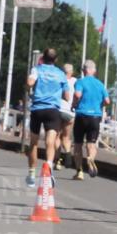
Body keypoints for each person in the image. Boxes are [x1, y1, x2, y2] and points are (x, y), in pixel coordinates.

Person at [25, 48, 70, 188]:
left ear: (43, 58)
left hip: (37, 109)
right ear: (56, 60)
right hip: (52, 110)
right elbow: (67, 96)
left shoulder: (37, 69)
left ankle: (32, 174)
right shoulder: (61, 74)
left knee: (34, 142)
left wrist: (30, 91)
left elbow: (30, 83)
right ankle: (48, 168)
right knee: (50, 141)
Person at [72, 60, 110, 180]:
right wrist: (100, 105)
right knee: (91, 143)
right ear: (94, 71)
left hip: (82, 115)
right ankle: (90, 159)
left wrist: (74, 104)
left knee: (78, 144)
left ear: (84, 70)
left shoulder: (80, 81)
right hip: (95, 117)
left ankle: (79, 172)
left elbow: (77, 95)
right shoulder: (100, 84)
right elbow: (107, 101)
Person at [57, 63, 77, 169]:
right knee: (66, 137)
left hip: (59, 110)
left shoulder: (59, 80)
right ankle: (68, 155)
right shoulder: (75, 81)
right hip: (70, 112)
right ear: (71, 72)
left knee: (57, 136)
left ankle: (58, 161)